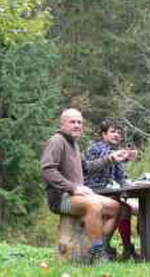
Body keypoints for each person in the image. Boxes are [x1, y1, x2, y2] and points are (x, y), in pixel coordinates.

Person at [40, 108, 130, 264]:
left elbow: (87, 167)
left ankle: (97, 246)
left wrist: (111, 158)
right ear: (63, 124)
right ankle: (98, 255)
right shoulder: (57, 141)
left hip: (76, 195)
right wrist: (73, 188)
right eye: (72, 122)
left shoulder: (74, 144)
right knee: (93, 205)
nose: (77, 125)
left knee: (117, 207)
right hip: (61, 198)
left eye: (79, 122)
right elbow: (47, 170)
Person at [84, 119, 139, 260]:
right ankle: (104, 247)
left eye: (119, 133)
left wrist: (130, 182)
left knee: (139, 207)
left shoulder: (116, 151)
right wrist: (123, 156)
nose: (116, 135)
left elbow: (121, 176)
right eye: (112, 132)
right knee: (123, 209)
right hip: (93, 191)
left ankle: (127, 248)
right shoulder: (96, 148)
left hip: (109, 192)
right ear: (104, 134)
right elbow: (101, 160)